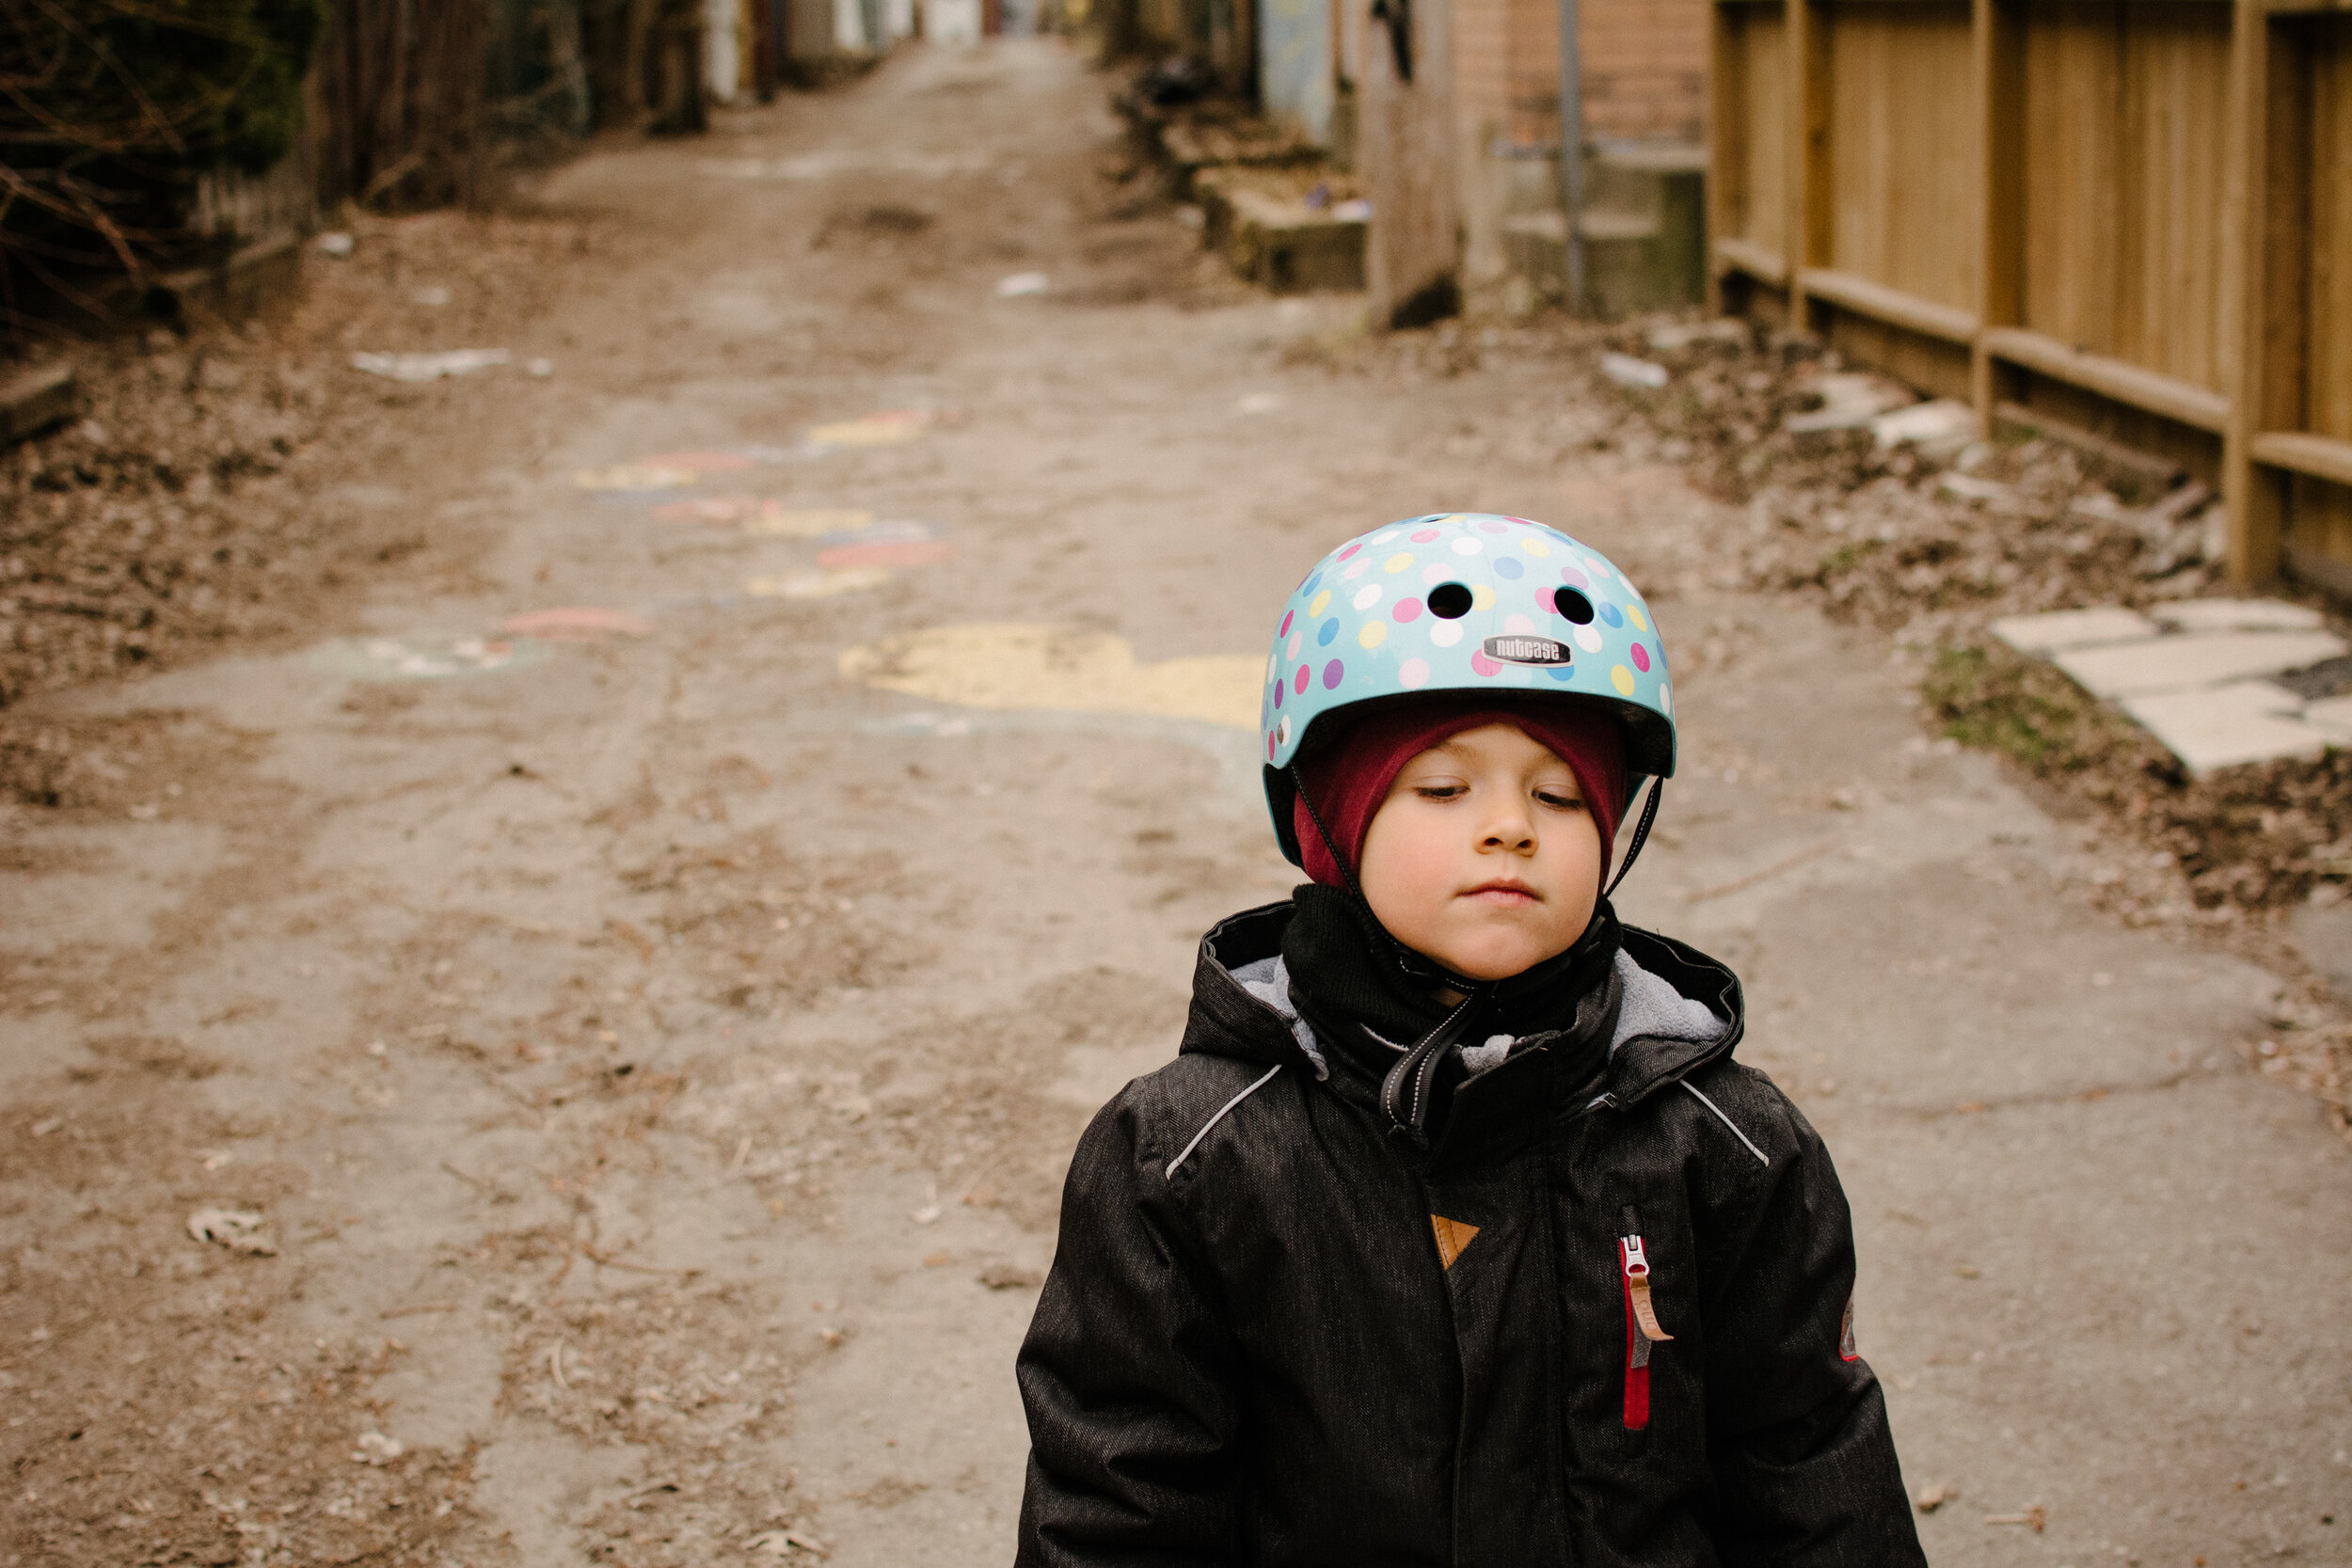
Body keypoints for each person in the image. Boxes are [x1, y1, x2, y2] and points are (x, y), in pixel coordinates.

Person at [1013, 514, 1926, 1566]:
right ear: (1329, 827)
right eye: (1442, 788)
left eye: (1558, 793)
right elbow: (1120, 1502)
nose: (1510, 826)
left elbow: (1810, 1464)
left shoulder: (1724, 1138)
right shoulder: (1187, 1153)